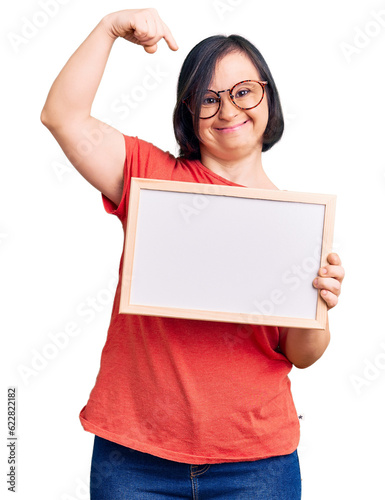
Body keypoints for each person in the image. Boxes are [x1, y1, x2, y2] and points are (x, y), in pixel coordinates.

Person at [41, 8, 345, 500]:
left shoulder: (299, 223)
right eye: (208, 99)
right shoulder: (151, 180)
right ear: (188, 113)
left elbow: (302, 355)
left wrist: (320, 309)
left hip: (256, 464)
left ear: (268, 95)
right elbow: (62, 116)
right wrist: (109, 29)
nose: (228, 111)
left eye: (243, 91)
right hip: (134, 457)